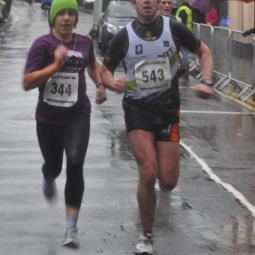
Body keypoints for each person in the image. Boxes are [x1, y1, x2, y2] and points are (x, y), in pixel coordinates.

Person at [100, 0, 213, 254]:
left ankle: (154, 192)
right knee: (148, 172)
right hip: (137, 111)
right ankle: (146, 235)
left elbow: (204, 52)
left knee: (169, 181)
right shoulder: (124, 36)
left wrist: (207, 81)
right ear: (134, 3)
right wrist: (112, 82)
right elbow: (104, 70)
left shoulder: (174, 29)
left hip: (167, 111)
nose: (148, 2)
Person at [22, 0, 107, 249]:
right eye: (62, 14)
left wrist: (100, 84)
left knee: (75, 162)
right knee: (55, 166)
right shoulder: (42, 45)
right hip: (48, 118)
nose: (67, 18)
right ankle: (48, 175)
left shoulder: (84, 43)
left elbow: (91, 63)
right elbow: (27, 82)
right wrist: (55, 66)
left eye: (71, 14)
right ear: (53, 17)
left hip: (77, 114)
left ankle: (71, 228)